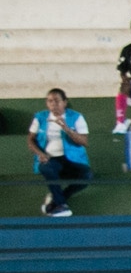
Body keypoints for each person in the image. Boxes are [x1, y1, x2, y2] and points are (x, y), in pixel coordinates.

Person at [27, 88, 90, 217]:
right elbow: (30, 140)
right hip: (50, 159)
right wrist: (40, 154)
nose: (53, 104)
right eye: (50, 101)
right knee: (46, 168)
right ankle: (61, 205)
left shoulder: (76, 117)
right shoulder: (40, 117)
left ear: (64, 102)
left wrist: (66, 128)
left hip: (72, 159)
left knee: (87, 176)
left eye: (57, 101)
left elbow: (84, 142)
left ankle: (56, 201)